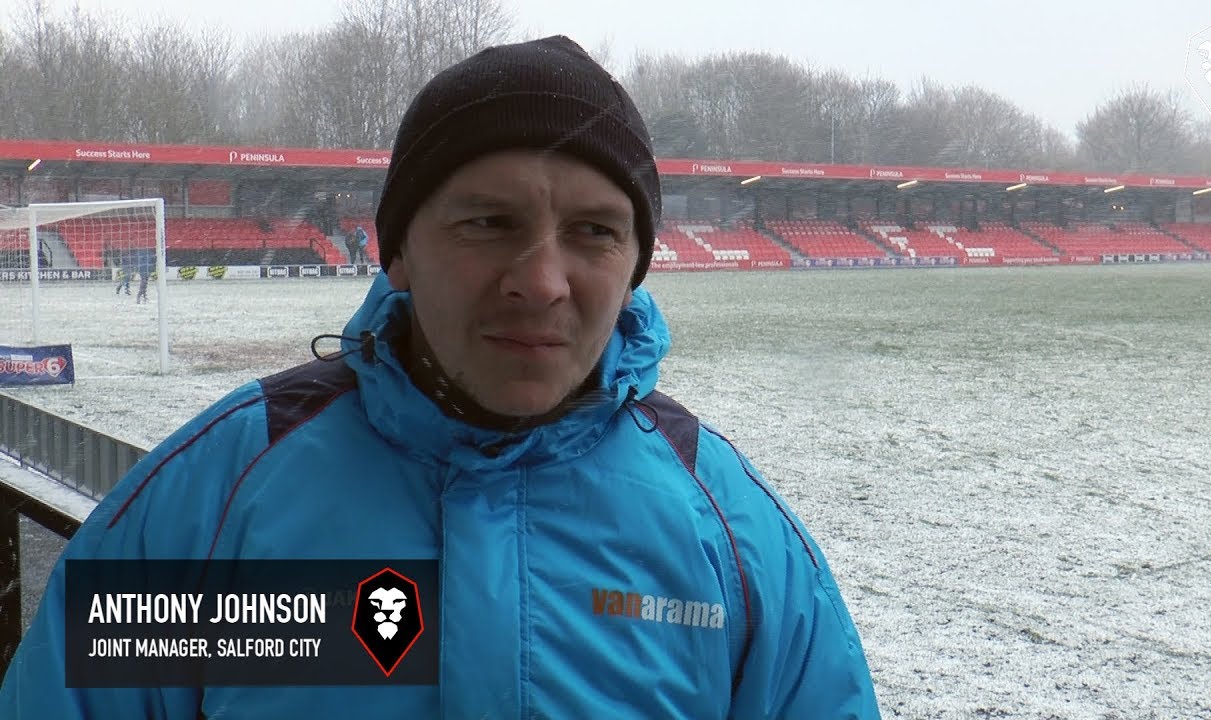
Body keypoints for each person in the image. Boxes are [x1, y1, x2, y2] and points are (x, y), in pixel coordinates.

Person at [0, 36, 880, 718]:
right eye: (488, 222)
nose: (542, 282)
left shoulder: (735, 538)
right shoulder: (216, 498)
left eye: (595, 232)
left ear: (635, 266)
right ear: (399, 252)